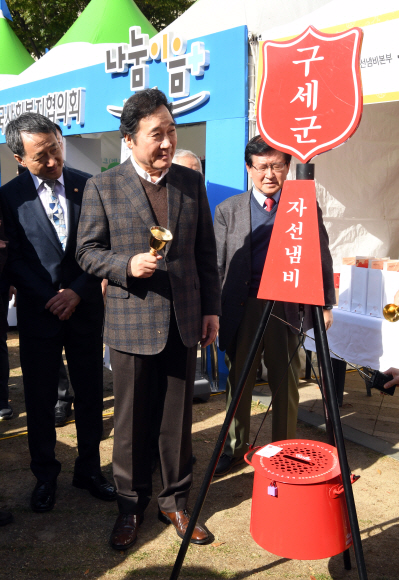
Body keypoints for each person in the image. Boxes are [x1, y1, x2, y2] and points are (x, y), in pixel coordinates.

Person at [76, 88, 221, 550]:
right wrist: (126, 266)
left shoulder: (188, 182)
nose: (166, 143)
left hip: (184, 320)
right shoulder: (104, 186)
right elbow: (86, 251)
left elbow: (205, 254)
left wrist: (211, 309)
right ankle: (129, 505)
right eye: (156, 135)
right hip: (130, 322)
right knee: (132, 422)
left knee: (177, 423)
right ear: (130, 139)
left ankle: (175, 502)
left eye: (171, 132)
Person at [0, 113, 116, 513]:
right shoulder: (8, 197)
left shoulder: (91, 186)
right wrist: (51, 297)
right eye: (41, 156)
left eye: (56, 148)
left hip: (84, 310)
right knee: (40, 397)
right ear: (19, 157)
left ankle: (89, 469)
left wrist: (78, 293)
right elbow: (13, 257)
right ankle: (44, 475)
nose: (53, 161)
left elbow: (105, 244)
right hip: (39, 313)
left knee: (89, 394)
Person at [213, 135, 335, 477]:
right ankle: (236, 447)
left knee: (286, 379)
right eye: (262, 166)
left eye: (278, 165)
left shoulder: (302, 207)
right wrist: (214, 309)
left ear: (288, 167)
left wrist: (325, 304)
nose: (270, 173)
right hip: (242, 304)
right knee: (240, 379)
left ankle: (285, 449)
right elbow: (217, 265)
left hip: (286, 304)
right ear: (249, 168)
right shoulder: (229, 210)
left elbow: (320, 256)